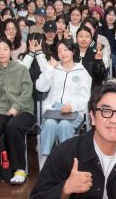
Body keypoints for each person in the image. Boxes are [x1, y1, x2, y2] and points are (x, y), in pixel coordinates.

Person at [0, 38, 35, 185]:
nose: (2, 52)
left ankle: (19, 170)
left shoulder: (21, 69)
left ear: (11, 51)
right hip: (0, 110)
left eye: (5, 49)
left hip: (23, 110)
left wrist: (16, 107)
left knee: (13, 126)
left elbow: (27, 92)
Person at [35, 39, 92, 170]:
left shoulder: (82, 71)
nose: (63, 53)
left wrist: (72, 105)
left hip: (73, 111)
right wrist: (49, 68)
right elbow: (41, 87)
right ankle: (45, 157)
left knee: (64, 125)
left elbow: (85, 97)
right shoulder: (54, 69)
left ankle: (67, 161)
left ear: (73, 51)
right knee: (49, 124)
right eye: (59, 50)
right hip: (53, 110)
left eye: (66, 49)